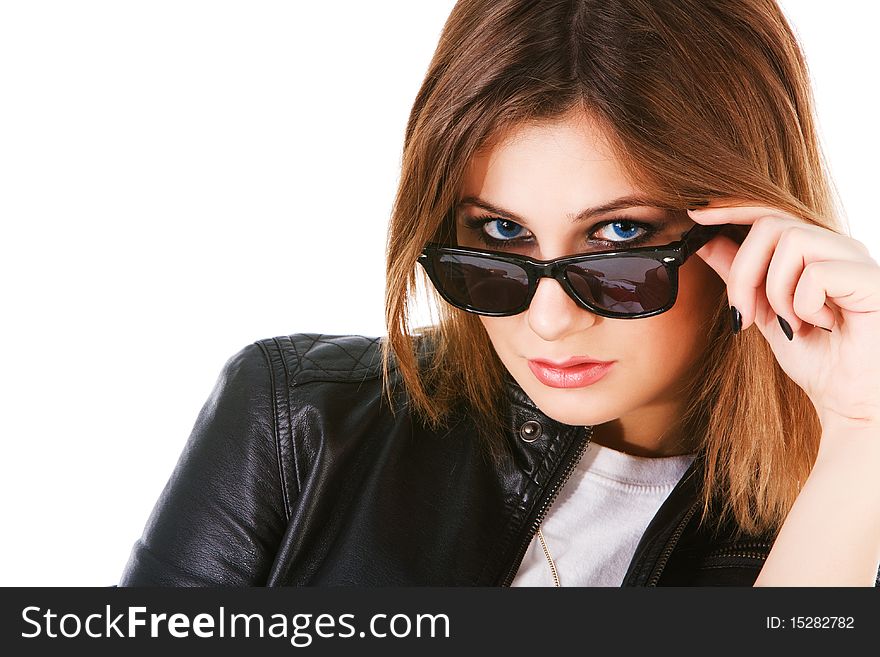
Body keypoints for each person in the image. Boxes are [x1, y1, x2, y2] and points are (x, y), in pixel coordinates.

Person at [118, 0, 880, 587]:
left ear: (750, 229)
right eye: (502, 235)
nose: (549, 320)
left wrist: (861, 433)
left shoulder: (842, 520)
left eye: (617, 238)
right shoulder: (293, 429)